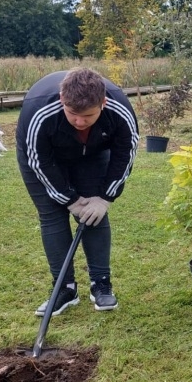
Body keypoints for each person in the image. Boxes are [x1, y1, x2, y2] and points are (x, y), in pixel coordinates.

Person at [16, 68, 138, 316]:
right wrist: (69, 199)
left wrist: (105, 197)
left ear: (103, 103)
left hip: (93, 151)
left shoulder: (119, 109)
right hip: (43, 157)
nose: (80, 122)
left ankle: (101, 284)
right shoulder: (39, 112)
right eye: (73, 114)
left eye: (88, 115)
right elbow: (39, 162)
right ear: (62, 99)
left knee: (93, 214)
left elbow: (125, 154)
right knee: (52, 214)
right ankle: (64, 289)